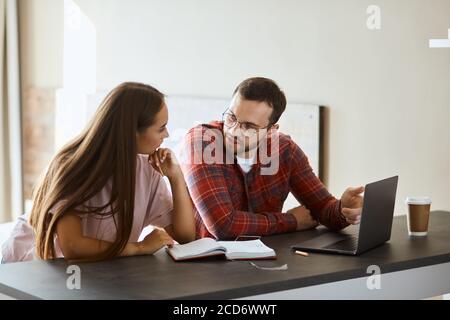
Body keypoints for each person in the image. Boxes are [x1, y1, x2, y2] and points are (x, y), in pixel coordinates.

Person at [2, 82, 195, 263]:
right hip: (25, 268)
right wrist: (139, 247)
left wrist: (175, 177)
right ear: (132, 132)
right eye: (161, 128)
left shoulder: (147, 168)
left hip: (87, 271)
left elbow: (185, 236)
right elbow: (73, 246)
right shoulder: (72, 165)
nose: (167, 135)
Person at [180, 77, 364, 239]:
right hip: (204, 266)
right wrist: (291, 221)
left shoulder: (285, 150)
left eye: (249, 126)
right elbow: (223, 225)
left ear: (271, 131)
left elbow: (323, 210)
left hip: (265, 262)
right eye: (231, 117)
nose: (234, 130)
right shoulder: (201, 141)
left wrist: (344, 210)